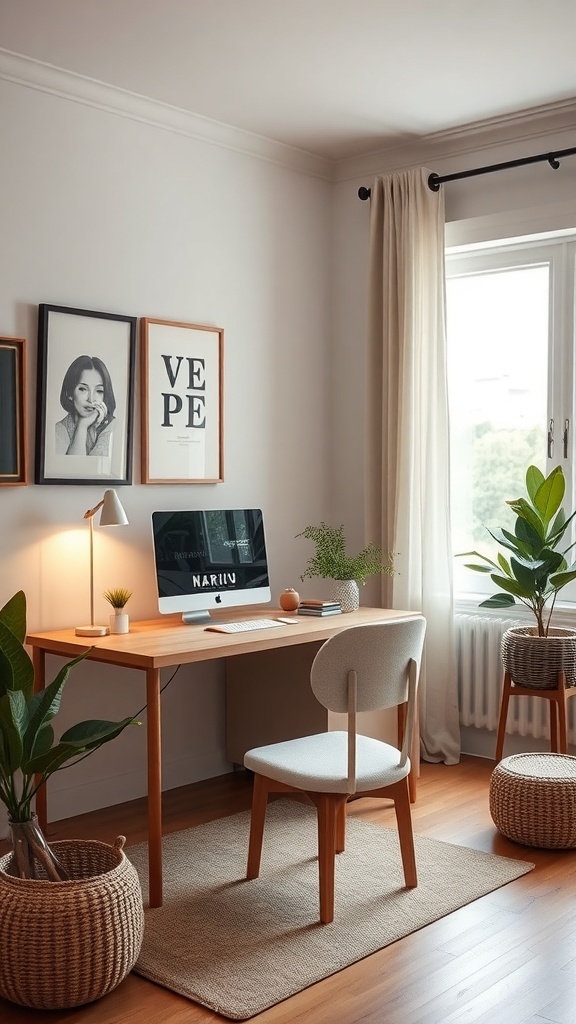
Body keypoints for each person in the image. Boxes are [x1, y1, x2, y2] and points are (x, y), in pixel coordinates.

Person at [55, 355, 116, 456]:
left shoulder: (112, 427)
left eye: (99, 391)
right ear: (70, 393)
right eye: (83, 389)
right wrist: (82, 426)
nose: (91, 399)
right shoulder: (59, 429)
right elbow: (74, 468)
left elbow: (94, 470)